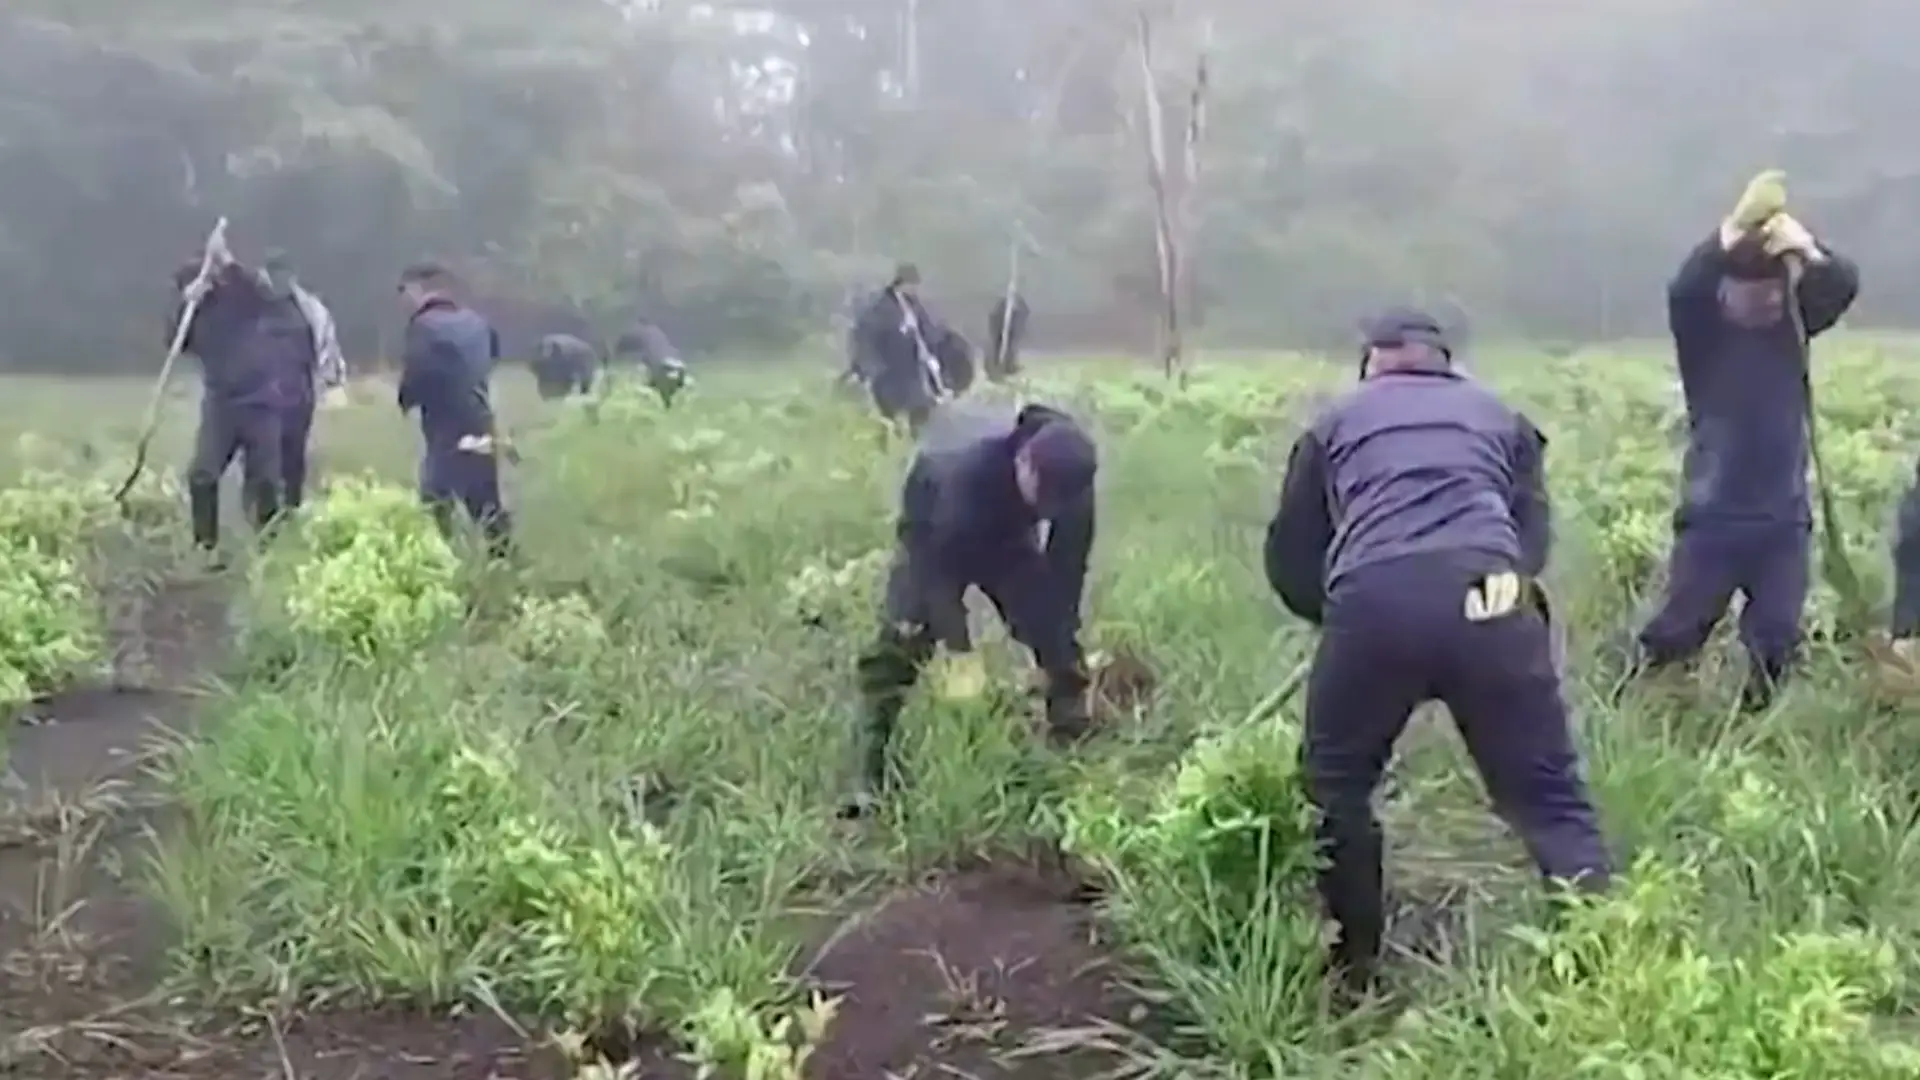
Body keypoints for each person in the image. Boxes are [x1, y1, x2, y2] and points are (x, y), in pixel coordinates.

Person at [1264, 308, 1611, 997]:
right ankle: (1603, 962)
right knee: (1548, 797)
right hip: (1493, 593)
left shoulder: (1334, 421)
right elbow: (1531, 535)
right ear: (1445, 361)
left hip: (1375, 599)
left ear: (1372, 360)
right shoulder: (1502, 417)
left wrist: (1339, 619)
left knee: (1336, 788)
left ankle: (1354, 967)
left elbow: (1291, 552)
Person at [1626, 175, 1859, 710]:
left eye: (1772, 292)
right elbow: (1684, 288)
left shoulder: (1791, 330)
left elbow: (1842, 285)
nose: (1762, 302)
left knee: (1776, 638)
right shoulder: (1704, 336)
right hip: (1714, 513)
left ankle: (1756, 719)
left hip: (1783, 516)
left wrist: (1806, 247)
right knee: (1678, 629)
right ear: (1725, 293)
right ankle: (1642, 699)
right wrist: (1729, 233)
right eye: (1749, 292)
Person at [840, 400, 1098, 819]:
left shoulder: (1073, 484)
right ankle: (866, 778)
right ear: (1024, 462)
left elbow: (1068, 569)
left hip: (1008, 539)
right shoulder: (964, 473)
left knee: (1051, 626)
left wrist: (1058, 628)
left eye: (1056, 505)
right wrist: (960, 650)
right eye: (1042, 497)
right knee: (899, 646)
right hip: (931, 534)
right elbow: (937, 573)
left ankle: (1071, 738)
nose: (1048, 510)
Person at [173, 245, 287, 564]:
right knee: (202, 474)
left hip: (260, 400)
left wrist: (228, 261)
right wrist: (185, 306)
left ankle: (267, 547)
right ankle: (205, 546)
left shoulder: (237, 299)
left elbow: (261, 295)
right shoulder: (192, 314)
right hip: (220, 405)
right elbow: (175, 342)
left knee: (264, 480)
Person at [395, 262, 512, 558]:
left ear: (418, 289)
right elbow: (492, 358)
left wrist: (405, 399)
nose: (401, 299)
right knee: (486, 501)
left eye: (403, 290)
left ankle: (443, 558)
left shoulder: (422, 326)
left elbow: (417, 372)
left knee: (435, 497)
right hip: (481, 419)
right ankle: (505, 558)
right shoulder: (478, 322)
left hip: (445, 425)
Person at [258, 251, 346, 511]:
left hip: (298, 393)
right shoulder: (252, 306)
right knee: (262, 455)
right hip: (259, 395)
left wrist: (329, 379)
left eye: (284, 274)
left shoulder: (309, 308)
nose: (279, 280)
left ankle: (291, 506)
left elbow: (326, 341)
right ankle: (262, 511)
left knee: (293, 454)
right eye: (274, 274)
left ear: (292, 276)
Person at [852, 263, 944, 434]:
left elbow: (927, 329)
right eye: (912, 284)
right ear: (902, 284)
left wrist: (933, 344)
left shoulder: (914, 305)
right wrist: (872, 367)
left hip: (913, 367)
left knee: (921, 409)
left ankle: (918, 438)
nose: (915, 289)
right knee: (892, 414)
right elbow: (867, 336)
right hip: (889, 370)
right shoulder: (882, 307)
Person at [614, 318, 688, 407]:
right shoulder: (659, 333)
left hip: (663, 367)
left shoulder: (642, 333)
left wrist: (617, 351)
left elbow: (624, 342)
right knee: (664, 389)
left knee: (651, 384)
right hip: (676, 366)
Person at [533, 332, 599, 400]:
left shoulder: (571, 354)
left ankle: (583, 394)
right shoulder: (544, 347)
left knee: (581, 382)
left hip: (582, 355)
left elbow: (568, 373)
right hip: (570, 354)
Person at [985, 291, 1029, 381]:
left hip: (1003, 325)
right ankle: (1001, 367)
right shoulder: (1004, 315)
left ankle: (1004, 367)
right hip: (1002, 326)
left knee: (1005, 344)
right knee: (1002, 344)